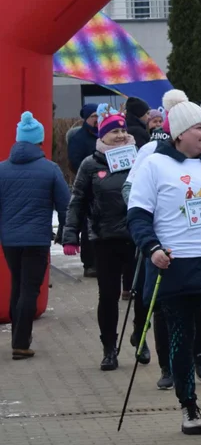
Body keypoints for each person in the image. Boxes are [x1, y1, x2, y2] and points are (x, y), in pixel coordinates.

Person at [126, 92, 201, 435]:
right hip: (172, 265)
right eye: (198, 128)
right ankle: (188, 405)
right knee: (182, 338)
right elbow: (137, 215)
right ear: (179, 135)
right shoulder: (155, 165)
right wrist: (151, 248)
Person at [62, 107, 148, 370]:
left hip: (136, 237)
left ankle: (140, 337)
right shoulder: (90, 164)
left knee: (142, 295)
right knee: (108, 296)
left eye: (123, 130)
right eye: (114, 131)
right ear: (102, 135)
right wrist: (70, 235)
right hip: (104, 237)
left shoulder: (141, 160)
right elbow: (77, 201)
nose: (121, 135)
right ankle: (109, 347)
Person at [0, 112, 70, 359]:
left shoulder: (2, 169)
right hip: (37, 240)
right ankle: (20, 343)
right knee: (30, 289)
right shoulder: (50, 169)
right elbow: (65, 205)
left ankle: (18, 338)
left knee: (18, 285)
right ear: (40, 142)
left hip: (9, 240)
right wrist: (66, 232)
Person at [67, 104, 99, 278]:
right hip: (88, 186)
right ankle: (89, 263)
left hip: (103, 187)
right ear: (86, 118)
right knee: (87, 227)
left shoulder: (103, 135)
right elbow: (74, 161)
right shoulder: (78, 138)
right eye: (93, 116)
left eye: (98, 115)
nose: (97, 119)